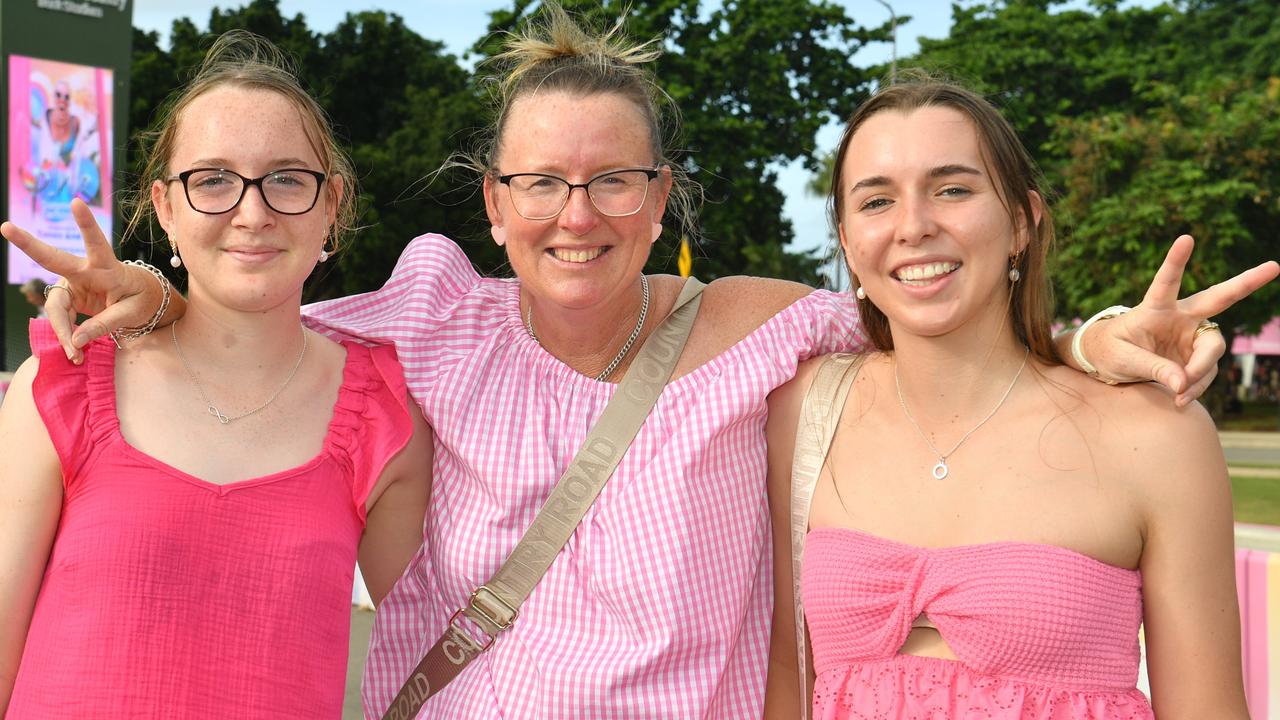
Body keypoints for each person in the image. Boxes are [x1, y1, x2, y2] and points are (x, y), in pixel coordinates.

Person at [5, 7, 1276, 719]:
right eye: (541, 184)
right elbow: (254, 312)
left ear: (663, 194)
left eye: (614, 178)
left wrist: (1086, 336)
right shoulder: (425, 317)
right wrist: (162, 302)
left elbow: (932, 301)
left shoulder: (766, 327)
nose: (578, 214)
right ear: (490, 206)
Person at [764, 78, 1255, 719]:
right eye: (877, 201)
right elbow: (785, 679)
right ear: (850, 243)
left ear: (1022, 221)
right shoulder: (797, 412)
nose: (914, 226)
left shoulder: (1158, 435)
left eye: (953, 190)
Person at [0, 32, 432, 719]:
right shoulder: (65, 384)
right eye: (214, 180)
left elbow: (432, 652)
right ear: (166, 207)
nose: (252, 213)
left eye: (288, 178)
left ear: (333, 206)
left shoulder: (384, 420)